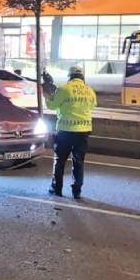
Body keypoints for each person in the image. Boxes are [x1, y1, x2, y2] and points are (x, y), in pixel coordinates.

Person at [46, 65, 96, 200]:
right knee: (78, 162)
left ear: (70, 76)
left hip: (65, 131)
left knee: (60, 161)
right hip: (83, 131)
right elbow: (92, 105)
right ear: (82, 77)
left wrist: (48, 93)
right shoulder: (89, 90)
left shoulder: (64, 89)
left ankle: (56, 189)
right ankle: (77, 192)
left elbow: (51, 105)